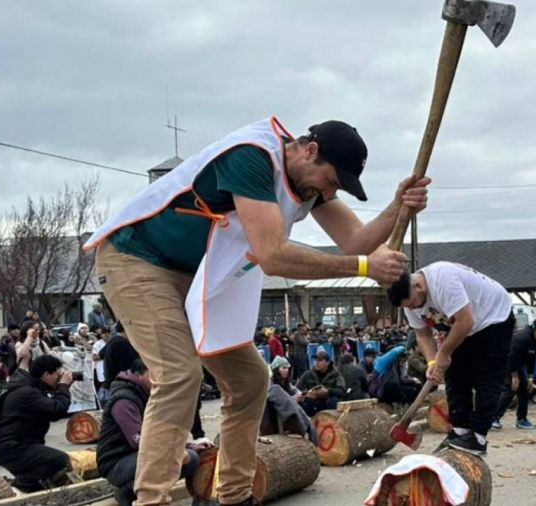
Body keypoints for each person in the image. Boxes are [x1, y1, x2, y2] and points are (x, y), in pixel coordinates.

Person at [83, 116, 430, 505]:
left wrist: (398, 207)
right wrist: (365, 267)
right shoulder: (252, 156)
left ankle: (235, 496)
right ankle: (152, 499)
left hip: (202, 272)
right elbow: (273, 255)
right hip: (136, 259)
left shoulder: (309, 181)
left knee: (249, 378)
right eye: (331, 181)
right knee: (180, 374)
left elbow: (356, 239)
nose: (329, 192)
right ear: (310, 151)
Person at [388, 262, 515, 455]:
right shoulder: (409, 302)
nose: (412, 308)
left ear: (419, 286)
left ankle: (478, 437)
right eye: (408, 306)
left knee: (487, 377)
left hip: (493, 317)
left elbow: (466, 320)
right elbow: (423, 335)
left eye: (413, 303)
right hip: (459, 324)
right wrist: (433, 362)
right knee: (455, 374)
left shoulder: (443, 281)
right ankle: (460, 429)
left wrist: (444, 353)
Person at [97, 359, 201, 506]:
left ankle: (200, 498)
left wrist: (190, 446)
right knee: (170, 457)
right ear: (139, 375)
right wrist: (173, 452)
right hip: (117, 462)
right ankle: (128, 491)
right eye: (153, 374)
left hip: (141, 453)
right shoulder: (123, 400)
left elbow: (167, 432)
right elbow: (138, 440)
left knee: (192, 458)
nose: (159, 379)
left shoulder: (150, 396)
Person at [0, 355, 73, 492]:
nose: (59, 378)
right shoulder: (27, 393)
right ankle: (17, 488)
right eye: (57, 374)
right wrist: (63, 386)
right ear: (46, 374)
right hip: (13, 447)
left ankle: (26, 490)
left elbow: (52, 414)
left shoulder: (30, 388)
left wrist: (61, 388)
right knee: (59, 460)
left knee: (39, 480)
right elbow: (57, 410)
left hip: (14, 446)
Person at [492, 317, 536, 430]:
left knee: (524, 390)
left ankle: (521, 419)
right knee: (511, 389)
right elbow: (511, 357)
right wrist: (514, 376)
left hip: (519, 365)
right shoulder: (522, 338)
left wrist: (530, 377)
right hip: (507, 363)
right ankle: (493, 418)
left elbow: (531, 358)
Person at [262, 357, 316, 443]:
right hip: (271, 416)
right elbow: (279, 400)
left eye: (287, 368)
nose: (286, 370)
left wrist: (302, 395)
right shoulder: (271, 384)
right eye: (283, 368)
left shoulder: (286, 383)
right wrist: (294, 399)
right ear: (276, 369)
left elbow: (295, 390)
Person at [296, 350, 346, 416]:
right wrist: (307, 394)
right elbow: (297, 390)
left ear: (327, 363)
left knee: (334, 401)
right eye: (315, 360)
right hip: (313, 403)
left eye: (320, 361)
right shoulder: (308, 374)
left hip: (328, 403)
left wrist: (328, 391)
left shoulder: (335, 374)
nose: (317, 363)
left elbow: (342, 391)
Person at [101, 322, 140, 389]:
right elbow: (130, 368)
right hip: (120, 388)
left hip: (115, 386)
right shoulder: (120, 344)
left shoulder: (115, 341)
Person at [92, 326, 112, 402]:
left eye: (108, 332)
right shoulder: (97, 344)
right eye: (104, 333)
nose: (106, 334)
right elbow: (94, 357)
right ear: (101, 334)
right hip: (101, 369)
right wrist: (106, 355)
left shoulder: (113, 342)